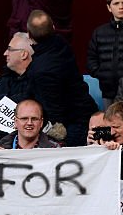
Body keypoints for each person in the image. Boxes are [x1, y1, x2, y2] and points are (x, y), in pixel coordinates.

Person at [26, 11, 97, 146]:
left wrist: (56, 135)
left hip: (71, 126)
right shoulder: (62, 45)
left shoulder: (42, 70)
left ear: (29, 35)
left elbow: (54, 110)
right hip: (84, 114)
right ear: (53, 28)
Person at [0, 33, 38, 131]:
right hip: (1, 139)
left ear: (24, 54)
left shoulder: (39, 80)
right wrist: (5, 100)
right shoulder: (5, 79)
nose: (5, 53)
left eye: (10, 49)